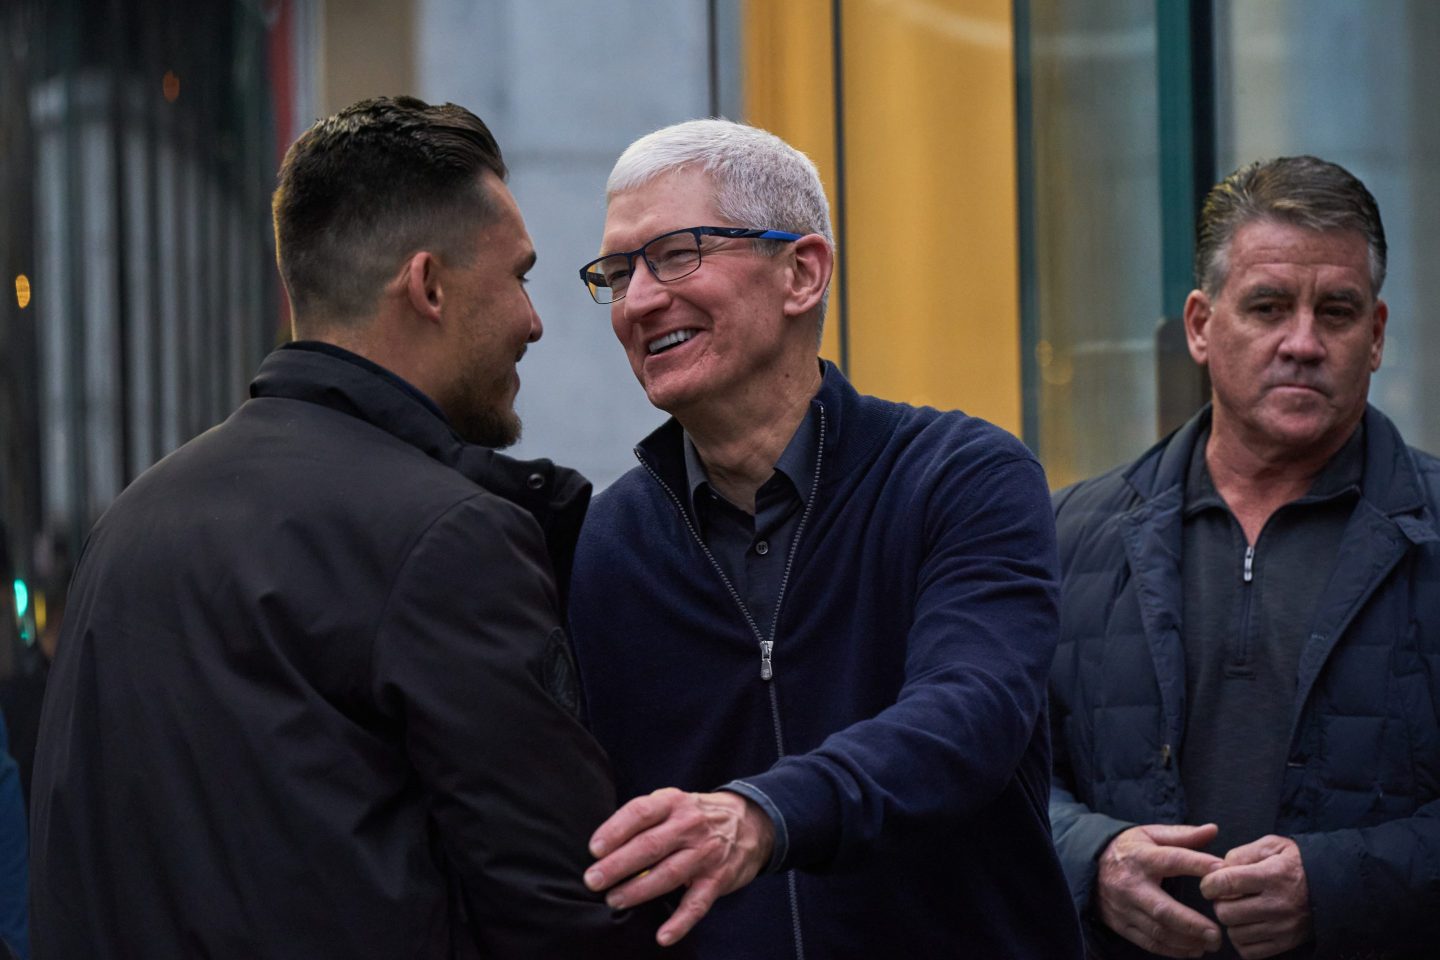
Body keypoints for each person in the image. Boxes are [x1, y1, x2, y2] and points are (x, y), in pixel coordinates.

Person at [29, 96, 671, 959]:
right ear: (429, 285)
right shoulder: (449, 539)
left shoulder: (134, 521)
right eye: (519, 275)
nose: (534, 321)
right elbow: (572, 908)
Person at [568, 118, 1083, 958]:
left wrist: (766, 816)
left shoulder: (961, 477)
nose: (639, 301)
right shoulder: (601, 546)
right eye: (618, 273)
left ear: (802, 272)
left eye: (675, 254)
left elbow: (971, 715)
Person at [1049, 155, 1440, 959]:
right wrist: (1094, 858)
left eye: (1336, 311)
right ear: (1200, 325)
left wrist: (1337, 886)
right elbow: (999, 778)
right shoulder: (1070, 536)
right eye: (1267, 307)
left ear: (1375, 336)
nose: (1302, 342)